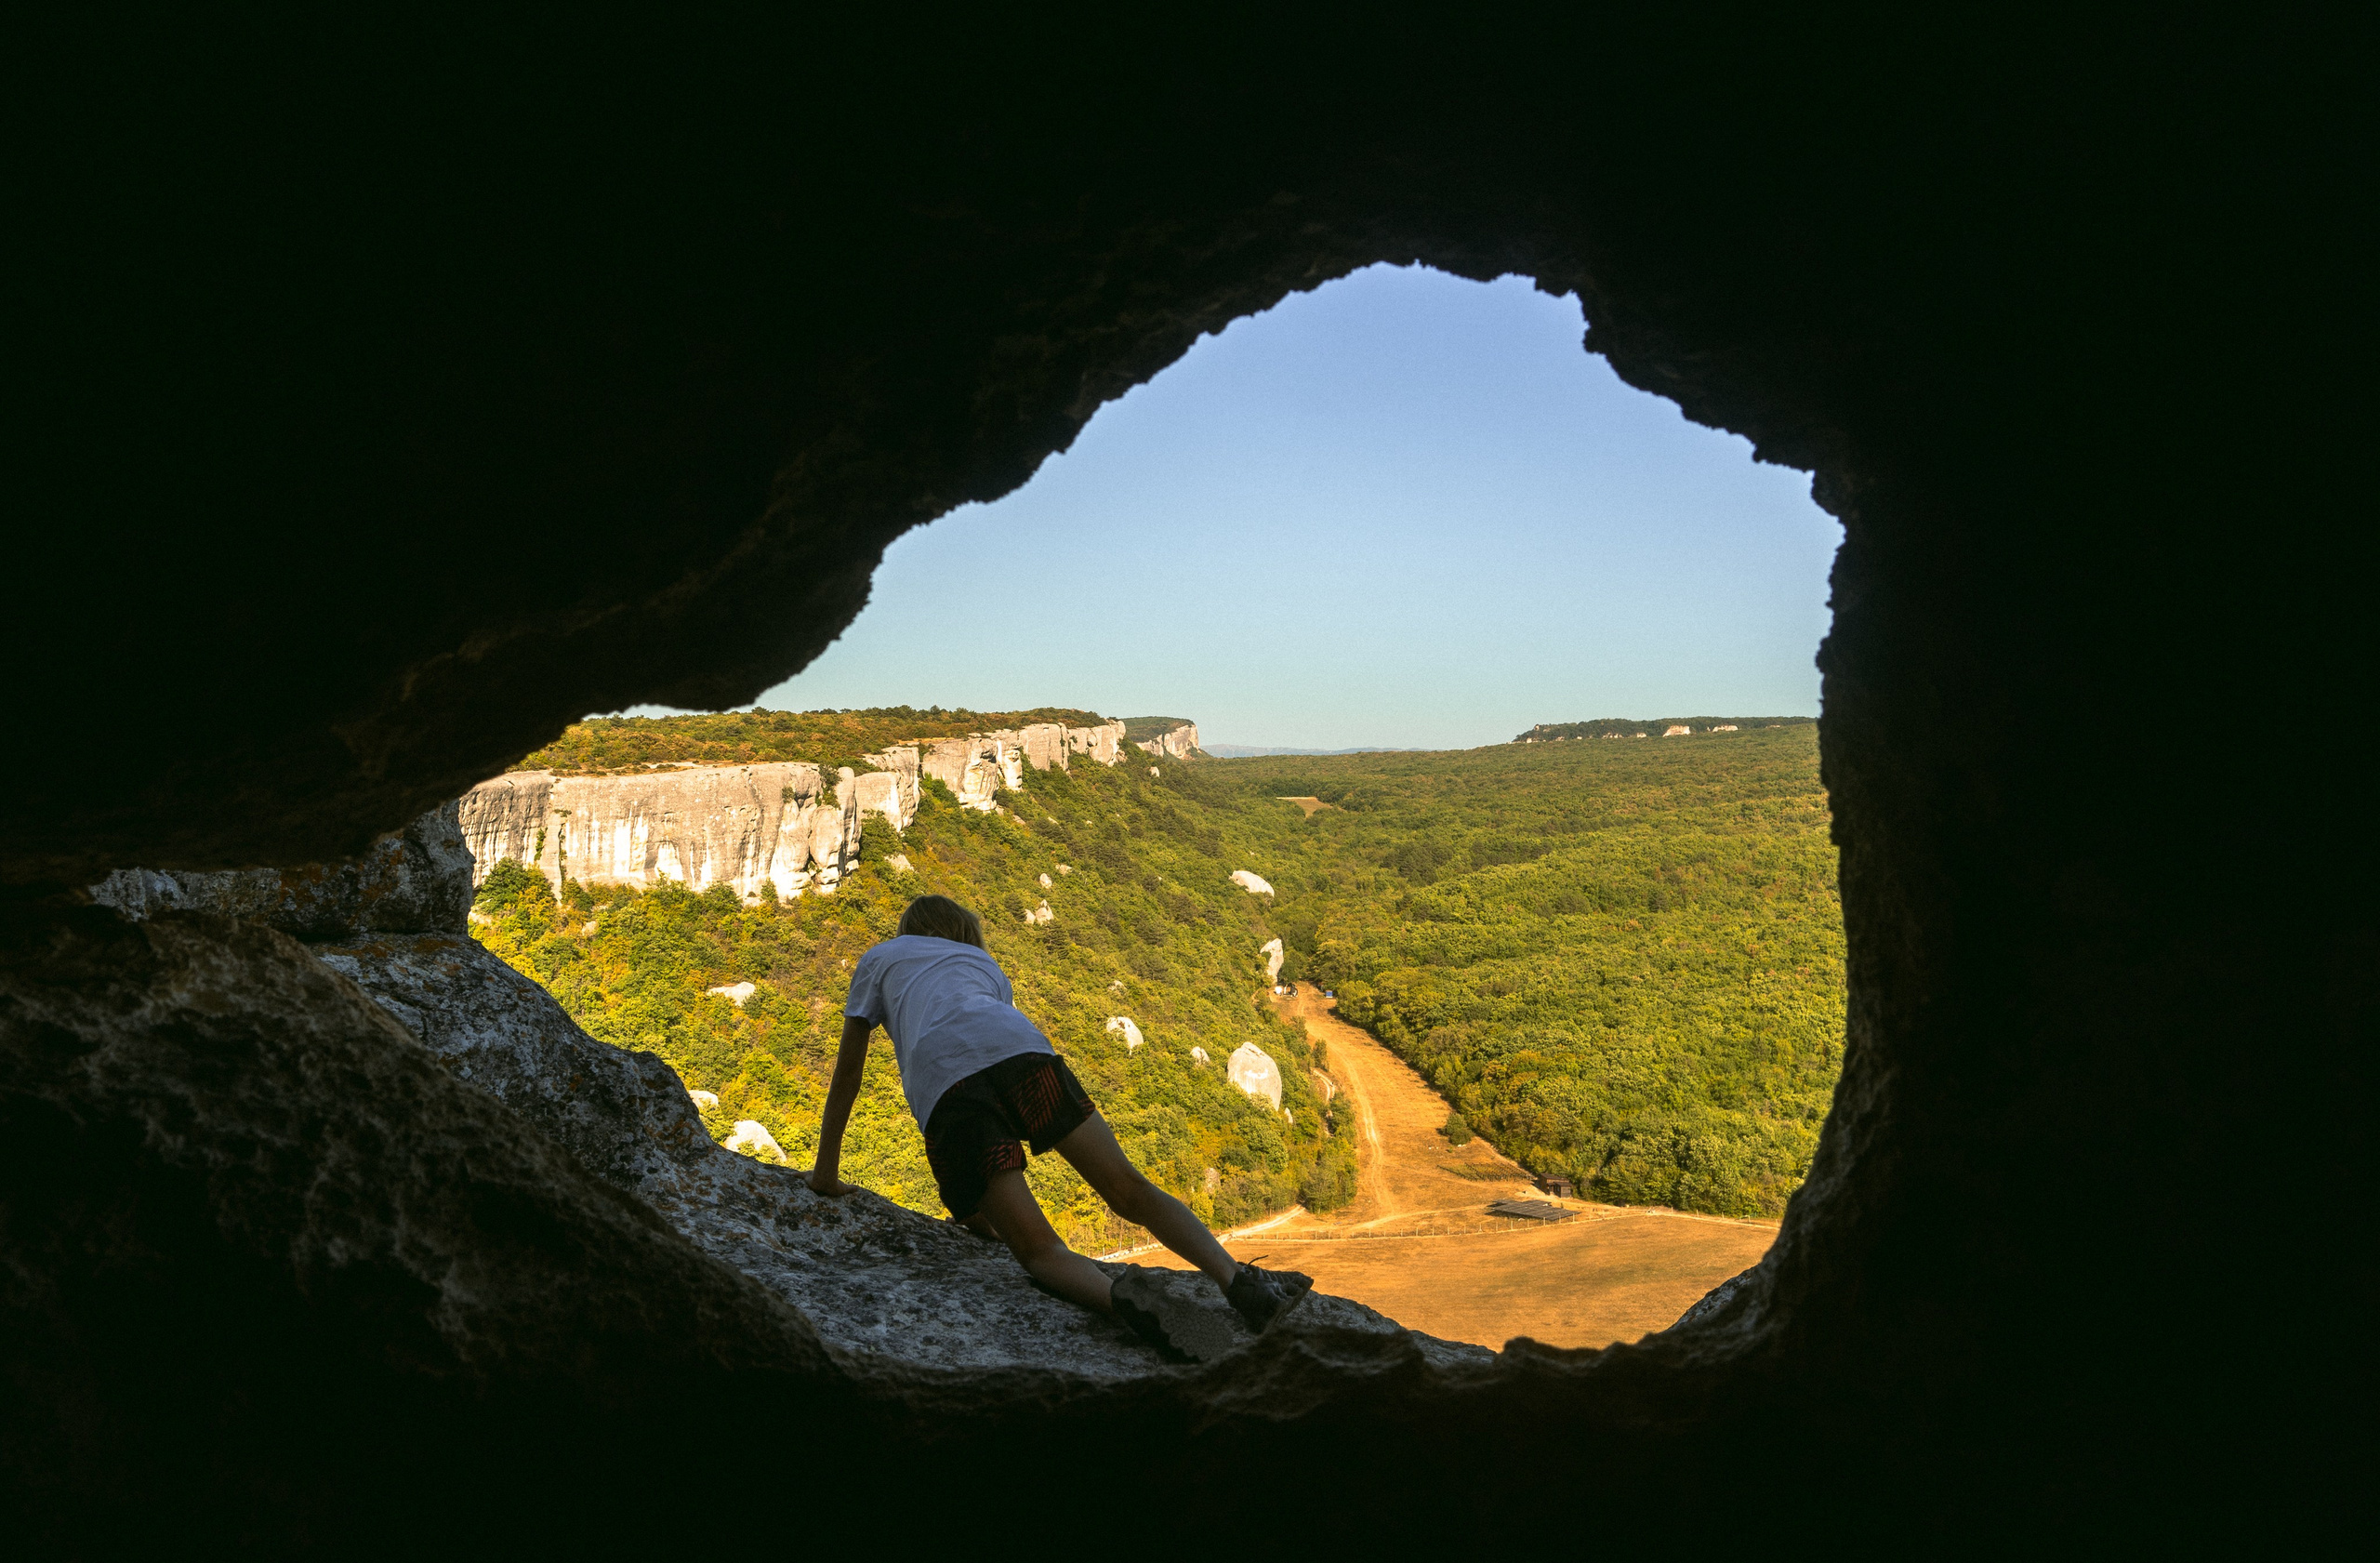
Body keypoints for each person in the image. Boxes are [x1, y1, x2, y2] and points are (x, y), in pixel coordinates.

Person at [807, 893, 1312, 1347]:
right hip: (1027, 1058)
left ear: (908, 932)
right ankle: (1238, 1283)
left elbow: (850, 1071)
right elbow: (988, 1043)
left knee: (1042, 1253)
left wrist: (827, 1174)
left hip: (951, 1093)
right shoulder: (982, 963)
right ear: (961, 932)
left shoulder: (879, 958)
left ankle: (1129, 1304)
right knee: (1130, 1189)